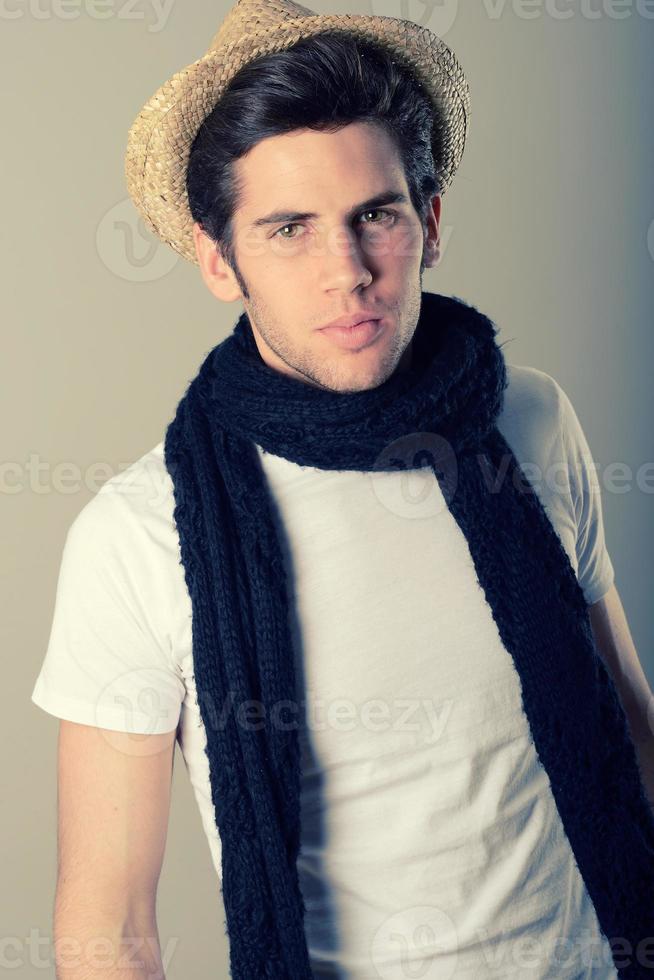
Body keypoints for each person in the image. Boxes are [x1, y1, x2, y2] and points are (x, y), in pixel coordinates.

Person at [31, 2, 654, 978]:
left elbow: (630, 725)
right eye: (287, 228)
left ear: (430, 220)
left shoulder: (532, 423)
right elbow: (106, 924)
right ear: (216, 258)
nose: (348, 273)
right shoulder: (139, 535)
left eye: (376, 215)